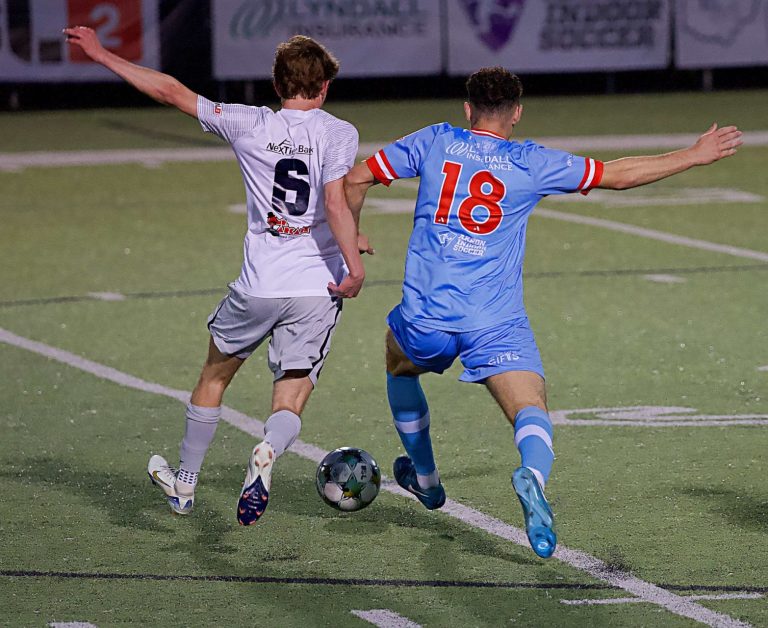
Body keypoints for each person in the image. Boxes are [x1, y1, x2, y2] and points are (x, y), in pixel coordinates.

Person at [343, 67, 742, 558]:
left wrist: (354, 238)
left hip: (427, 316)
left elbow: (355, 179)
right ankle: (531, 475)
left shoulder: (433, 141)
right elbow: (616, 176)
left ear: (467, 110)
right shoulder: (530, 161)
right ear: (517, 112)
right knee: (530, 407)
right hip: (494, 322)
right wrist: (694, 155)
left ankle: (426, 479)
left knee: (399, 364)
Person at [65, 27, 372, 525]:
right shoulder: (340, 132)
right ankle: (268, 449)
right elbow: (335, 200)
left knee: (213, 379)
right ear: (324, 87)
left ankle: (184, 485)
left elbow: (171, 91)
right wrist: (353, 259)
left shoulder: (247, 122)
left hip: (257, 285)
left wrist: (103, 55)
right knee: (291, 393)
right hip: (316, 288)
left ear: (276, 85)